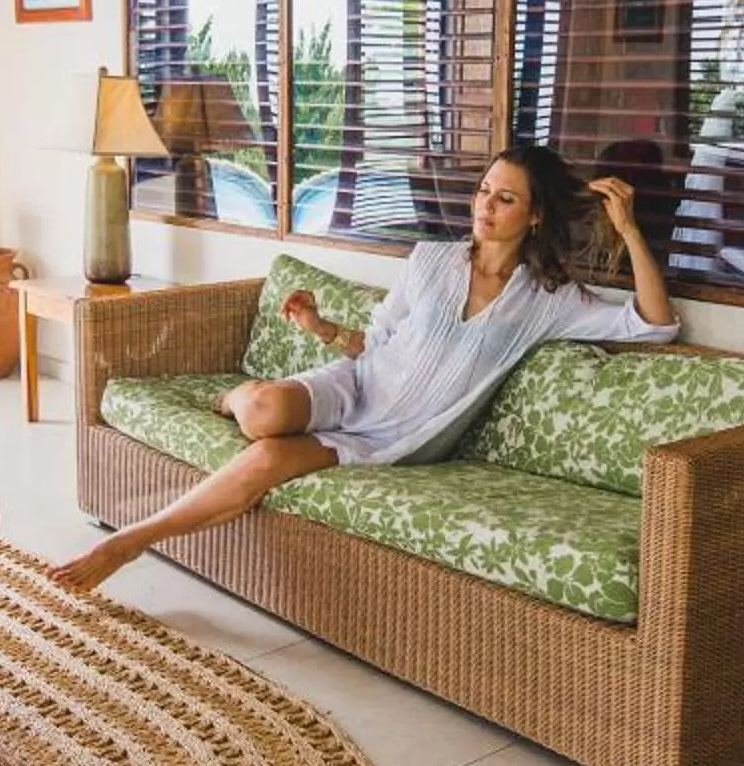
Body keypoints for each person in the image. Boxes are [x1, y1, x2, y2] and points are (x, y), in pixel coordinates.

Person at [50, 140, 678, 595]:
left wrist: (628, 231)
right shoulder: (430, 259)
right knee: (266, 411)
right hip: (358, 387)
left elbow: (654, 323)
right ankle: (233, 397)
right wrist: (320, 329)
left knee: (267, 456)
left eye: (505, 198)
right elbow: (375, 345)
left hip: (398, 439)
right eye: (485, 190)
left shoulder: (547, 300)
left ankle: (125, 542)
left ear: (534, 215)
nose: (485, 207)